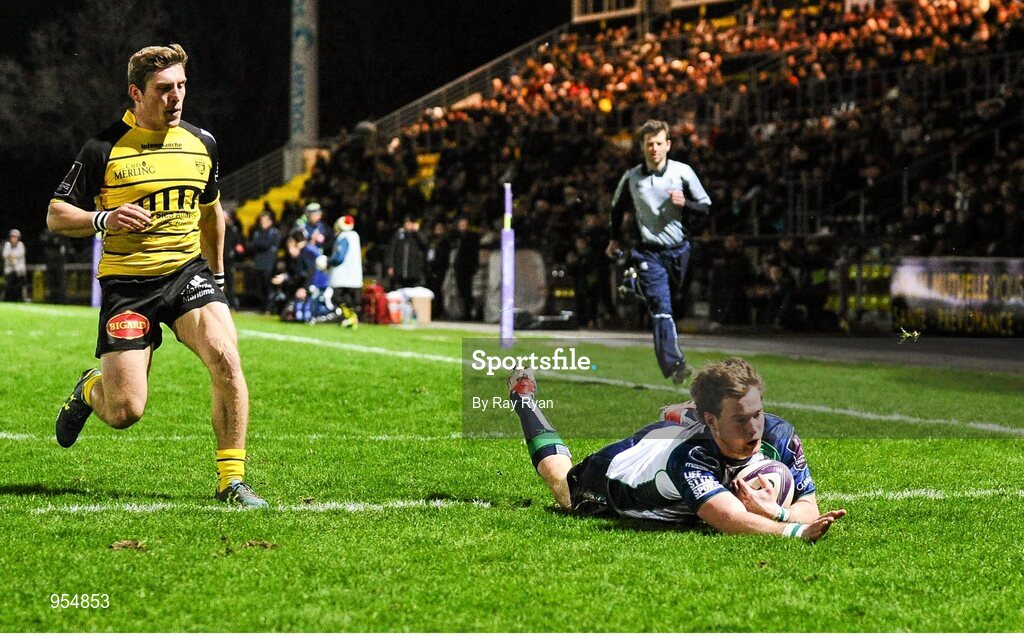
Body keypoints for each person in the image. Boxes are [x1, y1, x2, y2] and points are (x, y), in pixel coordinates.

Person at [46, 44, 267, 508]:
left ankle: (232, 480)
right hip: (129, 287)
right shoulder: (103, 148)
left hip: (186, 273)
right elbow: (56, 214)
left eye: (182, 86)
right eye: (164, 89)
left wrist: (219, 279)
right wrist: (103, 220)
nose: (176, 97)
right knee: (126, 411)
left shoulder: (201, 143)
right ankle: (90, 388)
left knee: (227, 357)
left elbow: (212, 214)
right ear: (136, 92)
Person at [506, 358, 846, 542]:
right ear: (712, 421)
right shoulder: (691, 455)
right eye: (740, 419)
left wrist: (780, 513)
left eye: (757, 414)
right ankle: (523, 401)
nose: (754, 427)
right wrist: (797, 531)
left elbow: (808, 505)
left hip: (676, 435)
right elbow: (728, 518)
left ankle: (681, 412)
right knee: (562, 484)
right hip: (620, 472)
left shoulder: (780, 435)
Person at [606, 120, 712, 384]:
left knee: (673, 304)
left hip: (680, 250)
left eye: (658, 143)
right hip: (648, 253)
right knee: (661, 307)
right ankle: (675, 364)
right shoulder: (632, 177)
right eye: (649, 144)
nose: (654, 148)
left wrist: (685, 203)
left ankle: (635, 286)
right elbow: (617, 209)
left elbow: (706, 206)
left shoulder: (682, 172)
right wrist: (614, 240)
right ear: (642, 147)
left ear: (668, 145)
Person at [325, 214, 362, 320]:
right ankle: (351, 317)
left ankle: (348, 317)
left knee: (339, 298)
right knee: (349, 298)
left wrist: (328, 261)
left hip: (343, 276)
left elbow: (339, 257)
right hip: (354, 275)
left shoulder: (343, 237)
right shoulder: (355, 236)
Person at [248, 210, 281, 314]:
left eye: (265, 220)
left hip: (269, 264)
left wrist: (259, 245)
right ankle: (263, 307)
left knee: (268, 286)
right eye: (262, 220)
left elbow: (265, 244)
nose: (262, 222)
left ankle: (269, 307)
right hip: (259, 263)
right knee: (260, 287)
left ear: (270, 221)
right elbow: (253, 245)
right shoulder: (258, 232)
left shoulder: (274, 232)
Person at [387, 216, 427, 289]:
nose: (408, 225)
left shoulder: (417, 235)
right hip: (399, 272)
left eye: (410, 223)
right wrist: (391, 266)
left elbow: (424, 244)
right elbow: (391, 251)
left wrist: (417, 231)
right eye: (406, 223)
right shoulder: (398, 235)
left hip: (414, 272)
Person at [3, 228, 27, 302]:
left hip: (19, 270)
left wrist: (11, 256)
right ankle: (7, 300)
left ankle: (21, 300)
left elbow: (18, 254)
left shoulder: (21, 245)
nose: (13, 238)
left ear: (18, 238)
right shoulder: (7, 245)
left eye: (15, 237)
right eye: (12, 237)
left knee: (19, 286)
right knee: (8, 286)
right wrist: (12, 256)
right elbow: (5, 255)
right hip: (9, 270)